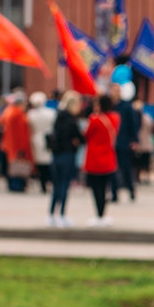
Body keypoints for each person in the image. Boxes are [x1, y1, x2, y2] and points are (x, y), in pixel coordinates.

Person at [47, 91, 84, 227]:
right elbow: (80, 138)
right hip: (67, 155)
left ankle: (51, 214)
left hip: (56, 155)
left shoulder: (58, 117)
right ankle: (62, 214)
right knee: (64, 185)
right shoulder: (71, 121)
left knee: (56, 185)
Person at [83, 94, 119, 227]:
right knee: (105, 188)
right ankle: (103, 214)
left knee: (96, 188)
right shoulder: (115, 118)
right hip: (108, 157)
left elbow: (86, 135)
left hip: (94, 158)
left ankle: (98, 215)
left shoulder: (95, 120)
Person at [27, 91, 56, 194]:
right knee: (48, 162)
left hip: (37, 139)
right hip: (48, 139)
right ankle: (49, 183)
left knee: (40, 164)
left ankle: (43, 184)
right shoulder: (51, 113)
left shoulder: (31, 114)